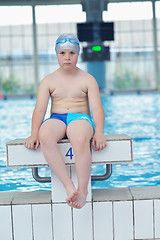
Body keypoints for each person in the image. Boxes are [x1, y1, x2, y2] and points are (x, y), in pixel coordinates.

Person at [24, 33, 107, 209]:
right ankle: (69, 185)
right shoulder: (49, 80)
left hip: (81, 117)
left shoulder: (87, 79)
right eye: (62, 53)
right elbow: (39, 109)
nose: (67, 57)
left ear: (78, 54)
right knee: (45, 135)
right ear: (56, 55)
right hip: (57, 118)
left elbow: (97, 109)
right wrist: (33, 133)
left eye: (72, 53)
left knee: (78, 138)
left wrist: (99, 132)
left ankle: (82, 191)